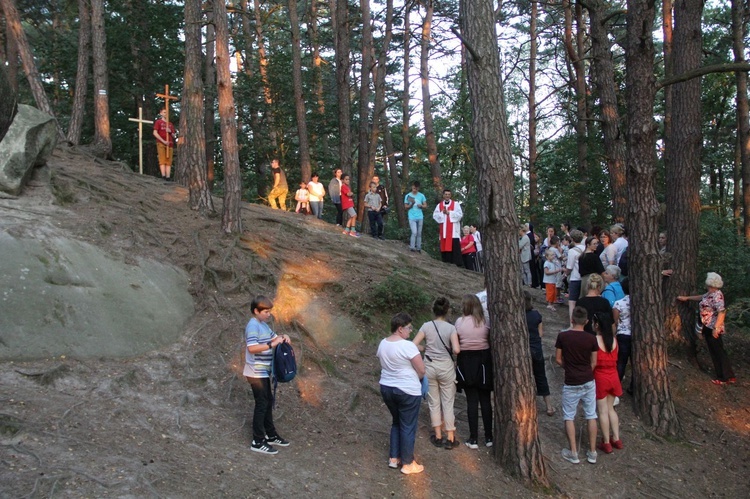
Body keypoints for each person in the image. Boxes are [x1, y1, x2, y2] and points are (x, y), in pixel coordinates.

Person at [377, 312, 426, 475]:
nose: (411, 331)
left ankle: (393, 458)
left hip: (387, 388)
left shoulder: (383, 343)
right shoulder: (407, 346)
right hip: (407, 390)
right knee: (408, 425)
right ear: (400, 329)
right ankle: (407, 463)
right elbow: (421, 369)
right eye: (409, 328)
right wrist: (416, 380)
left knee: (397, 422)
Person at [244, 296, 292, 455]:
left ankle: (270, 435)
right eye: (265, 311)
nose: (268, 314)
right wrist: (272, 344)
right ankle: (257, 441)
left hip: (263, 371)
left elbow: (275, 338)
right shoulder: (253, 326)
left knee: (268, 400)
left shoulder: (263, 325)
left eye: (269, 311)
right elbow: (252, 348)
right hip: (255, 372)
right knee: (262, 403)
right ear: (256, 311)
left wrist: (283, 336)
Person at [412, 297, 461, 449]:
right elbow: (457, 350)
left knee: (434, 402)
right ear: (447, 311)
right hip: (446, 366)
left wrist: (425, 348)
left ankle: (438, 435)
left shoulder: (427, 326)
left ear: (433, 310)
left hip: (430, 366)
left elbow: (414, 344)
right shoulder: (451, 328)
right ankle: (451, 437)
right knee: (448, 402)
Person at [555, 306, 599, 465]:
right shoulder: (591, 339)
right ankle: (592, 452)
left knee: (569, 415)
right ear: (586, 321)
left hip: (571, 381)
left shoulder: (563, 336)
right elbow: (594, 362)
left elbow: (558, 359)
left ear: (572, 320)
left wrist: (569, 368)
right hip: (588, 380)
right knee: (591, 414)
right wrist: (585, 371)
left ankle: (573, 452)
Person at [678, 272, 736, 385]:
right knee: (715, 350)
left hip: (713, 327)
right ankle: (728, 375)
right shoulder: (710, 293)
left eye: (708, 284)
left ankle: (725, 377)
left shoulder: (717, 295)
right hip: (707, 326)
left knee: (717, 351)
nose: (707, 286)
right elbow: (701, 297)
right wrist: (687, 298)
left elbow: (722, 312)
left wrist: (716, 328)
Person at [455, 294, 493, 449]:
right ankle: (489, 437)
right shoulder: (485, 321)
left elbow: (455, 340)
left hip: (466, 361)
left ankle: (473, 438)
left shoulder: (459, 322)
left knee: (471, 400)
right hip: (484, 360)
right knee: (485, 400)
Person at [592, 312, 623, 454]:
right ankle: (616, 438)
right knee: (611, 409)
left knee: (603, 411)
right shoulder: (614, 340)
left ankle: (605, 442)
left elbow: (592, 362)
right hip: (614, 376)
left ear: (597, 325)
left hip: (600, 377)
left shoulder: (595, 341)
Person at [525, 291, 555, 416]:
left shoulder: (517, 315)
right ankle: (549, 406)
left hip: (523, 350)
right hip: (536, 349)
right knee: (541, 376)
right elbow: (541, 333)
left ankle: (527, 407)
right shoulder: (536, 314)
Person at [433, 189, 463, 266]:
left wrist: (449, 212)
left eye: (448, 194)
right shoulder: (439, 205)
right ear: (443, 195)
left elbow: (460, 215)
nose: (447, 196)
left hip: (453, 231)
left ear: (450, 195)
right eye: (446, 194)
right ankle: (446, 262)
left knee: (454, 246)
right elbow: (435, 216)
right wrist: (442, 213)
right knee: (444, 246)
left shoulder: (455, 204)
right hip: (444, 231)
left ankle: (456, 263)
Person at [612, 279, 632, 392]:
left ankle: (616, 386)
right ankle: (633, 387)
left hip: (623, 335)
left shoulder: (618, 303)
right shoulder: (640, 303)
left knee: (621, 362)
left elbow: (615, 322)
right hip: (636, 336)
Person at [565, 229, 586, 318]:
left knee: (572, 301)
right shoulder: (586, 248)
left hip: (575, 277)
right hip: (585, 278)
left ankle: (572, 323)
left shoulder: (572, 251)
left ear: (572, 239)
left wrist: (565, 274)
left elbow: (569, 267)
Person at [153, 108, 176, 181]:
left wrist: (169, 132)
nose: (166, 114)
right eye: (164, 112)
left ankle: (168, 177)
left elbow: (174, 135)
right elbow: (155, 133)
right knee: (162, 159)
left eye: (167, 112)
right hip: (161, 143)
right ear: (161, 113)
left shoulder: (170, 124)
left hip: (170, 144)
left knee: (168, 160)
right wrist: (163, 141)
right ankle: (163, 175)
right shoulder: (158, 122)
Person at [404, 181, 427, 252]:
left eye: (416, 189)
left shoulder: (421, 196)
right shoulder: (408, 196)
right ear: (412, 187)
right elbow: (406, 207)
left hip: (420, 216)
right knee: (414, 232)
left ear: (418, 188)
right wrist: (411, 204)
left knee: (419, 233)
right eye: (414, 188)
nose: (415, 190)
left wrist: (421, 206)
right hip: (412, 216)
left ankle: (419, 247)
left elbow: (425, 205)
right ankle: (412, 247)